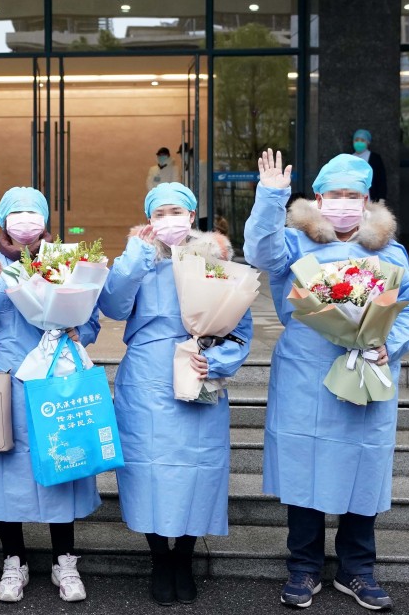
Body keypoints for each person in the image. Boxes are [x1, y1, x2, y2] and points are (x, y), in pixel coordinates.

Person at [244, 151, 409, 611]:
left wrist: (391, 344)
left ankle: (357, 569)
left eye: (353, 195)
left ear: (367, 201)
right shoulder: (292, 243)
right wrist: (270, 197)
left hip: (366, 371)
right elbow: (258, 251)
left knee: (361, 467)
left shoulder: (389, 252)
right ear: (319, 197)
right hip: (306, 372)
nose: (343, 203)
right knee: (305, 466)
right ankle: (303, 568)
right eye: (334, 195)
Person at [98, 182, 253, 607]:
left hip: (198, 372)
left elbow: (240, 328)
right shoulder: (137, 260)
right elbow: (111, 307)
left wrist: (216, 363)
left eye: (176, 211)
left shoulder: (214, 259)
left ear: (192, 214)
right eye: (160, 212)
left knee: (196, 468)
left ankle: (183, 556)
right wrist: (134, 257)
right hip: (146, 378)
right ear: (150, 218)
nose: (169, 219)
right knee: (148, 468)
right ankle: (158, 559)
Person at [0, 187, 101, 603]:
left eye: (33, 213)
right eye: (17, 214)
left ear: (46, 220)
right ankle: (14, 561)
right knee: (6, 474)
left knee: (61, 463)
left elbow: (92, 322)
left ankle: (64, 559)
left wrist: (77, 329)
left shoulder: (65, 262)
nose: (26, 222)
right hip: (3, 381)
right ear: (3, 221)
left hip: (55, 380)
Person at [178, 143, 210, 231]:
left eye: (183, 153)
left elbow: (206, 185)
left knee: (202, 233)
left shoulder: (201, 165)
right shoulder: (185, 168)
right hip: (190, 209)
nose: (182, 156)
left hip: (202, 208)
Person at [350, 129, 387, 203]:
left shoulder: (375, 158)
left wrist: (381, 198)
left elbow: (381, 179)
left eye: (362, 140)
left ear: (368, 142)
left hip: (370, 198)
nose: (359, 143)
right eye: (356, 140)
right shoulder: (349, 158)